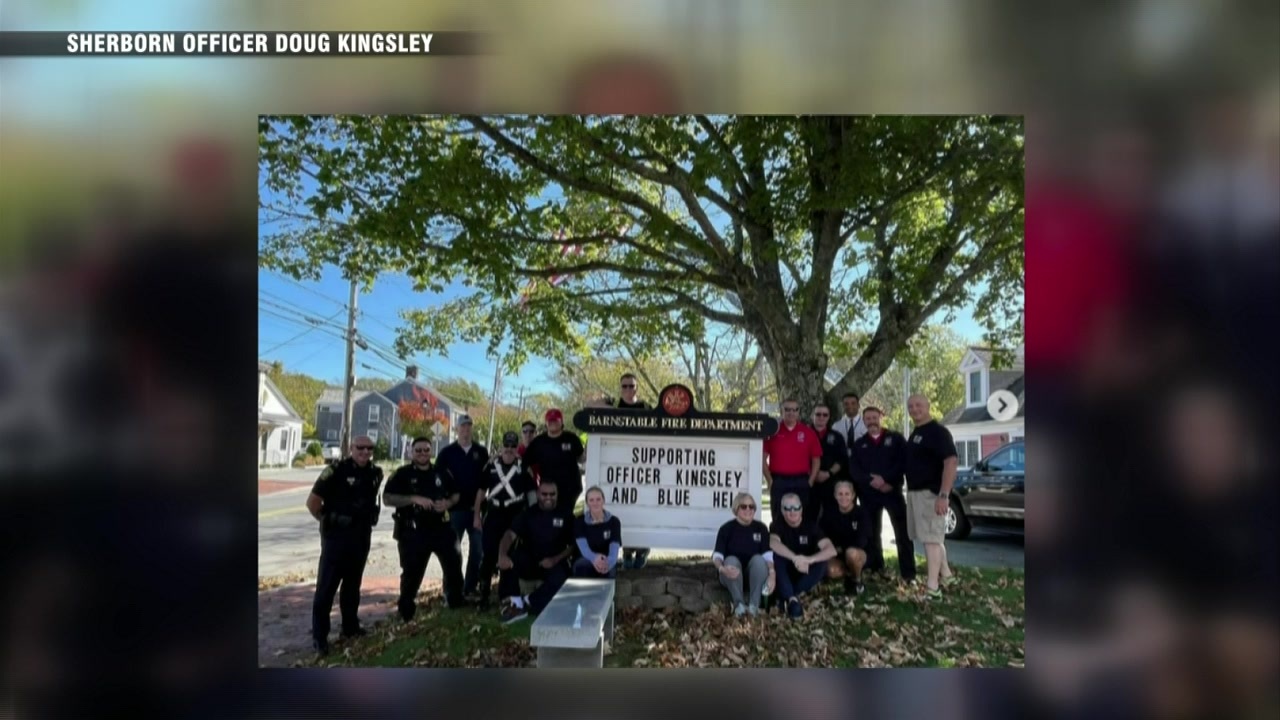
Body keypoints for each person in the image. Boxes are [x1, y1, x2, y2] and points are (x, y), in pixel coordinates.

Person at [304, 435, 383, 656]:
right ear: (351, 448)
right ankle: (320, 638)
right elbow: (312, 503)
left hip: (361, 537)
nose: (365, 452)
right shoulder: (335, 471)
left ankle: (350, 627)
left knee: (352, 586)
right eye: (360, 448)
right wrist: (328, 520)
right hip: (336, 539)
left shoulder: (375, 473)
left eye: (369, 448)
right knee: (326, 588)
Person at [382, 436, 465, 620]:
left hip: (442, 528)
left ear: (431, 451)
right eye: (418, 450)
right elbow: (387, 498)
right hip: (414, 532)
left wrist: (447, 503)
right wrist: (413, 498)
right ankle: (406, 612)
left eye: (426, 450)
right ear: (412, 452)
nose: (422, 453)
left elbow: (456, 495)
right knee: (412, 574)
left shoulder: (441, 472)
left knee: (454, 566)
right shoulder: (402, 474)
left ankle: (456, 603)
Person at [848, 406, 915, 583]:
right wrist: (872, 481)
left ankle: (908, 573)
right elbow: (854, 469)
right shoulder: (860, 444)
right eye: (868, 419)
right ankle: (876, 567)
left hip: (892, 492)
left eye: (874, 417)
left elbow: (903, 463)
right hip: (869, 495)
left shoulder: (896, 439)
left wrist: (887, 481)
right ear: (864, 421)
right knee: (872, 533)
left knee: (902, 533)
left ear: (881, 417)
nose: (871, 421)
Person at [496, 479, 575, 624]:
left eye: (552, 494)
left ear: (557, 495)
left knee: (562, 578)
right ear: (538, 494)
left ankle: (526, 603)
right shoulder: (528, 513)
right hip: (531, 560)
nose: (548, 497)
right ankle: (508, 603)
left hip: (554, 561)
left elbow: (572, 546)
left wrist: (555, 559)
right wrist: (502, 555)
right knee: (510, 560)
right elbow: (510, 534)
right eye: (544, 494)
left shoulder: (566, 514)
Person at [473, 431, 537, 609]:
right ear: (502, 446)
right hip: (493, 514)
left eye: (513, 446)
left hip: (515, 514)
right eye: (506, 446)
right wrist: (476, 516)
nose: (509, 449)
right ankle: (483, 596)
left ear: (517, 448)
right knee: (489, 555)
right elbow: (480, 491)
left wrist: (532, 518)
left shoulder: (523, 467)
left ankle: (505, 595)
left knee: (510, 554)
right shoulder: (491, 465)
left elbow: (531, 493)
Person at [904, 394, 958, 599]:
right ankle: (946, 575)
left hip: (932, 494)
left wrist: (944, 495)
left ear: (928, 406)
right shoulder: (918, 433)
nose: (914, 409)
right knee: (932, 538)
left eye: (919, 405)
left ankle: (932, 587)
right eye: (911, 406)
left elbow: (951, 462)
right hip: (916, 493)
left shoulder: (938, 432)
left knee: (931, 541)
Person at [435, 415, 489, 599]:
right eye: (462, 426)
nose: (466, 429)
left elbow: (486, 480)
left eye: (468, 426)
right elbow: (438, 479)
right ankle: (450, 589)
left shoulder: (481, 452)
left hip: (477, 510)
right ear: (456, 429)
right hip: (454, 510)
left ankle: (470, 587)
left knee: (477, 551)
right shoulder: (447, 453)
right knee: (452, 553)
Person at [610, 372, 653, 569]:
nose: (628, 389)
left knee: (643, 508)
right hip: (620, 465)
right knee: (624, 509)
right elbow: (592, 408)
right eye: (624, 386)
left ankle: (643, 548)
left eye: (631, 386)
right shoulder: (615, 407)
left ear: (637, 388)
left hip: (644, 464)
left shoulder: (645, 407)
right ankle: (627, 551)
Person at [769, 493, 837, 619]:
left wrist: (809, 560)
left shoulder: (811, 526)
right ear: (782, 511)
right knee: (776, 556)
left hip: (805, 569)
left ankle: (790, 596)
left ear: (801, 509)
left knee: (823, 562)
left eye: (796, 507)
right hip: (787, 569)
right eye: (788, 508)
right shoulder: (777, 525)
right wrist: (795, 558)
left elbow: (831, 549)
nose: (792, 511)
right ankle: (792, 599)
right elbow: (773, 543)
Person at [712, 492, 775, 617]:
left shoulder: (761, 528)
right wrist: (722, 568)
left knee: (758, 559)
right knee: (731, 560)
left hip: (754, 575)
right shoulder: (726, 529)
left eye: (751, 507)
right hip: (730, 575)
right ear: (736, 509)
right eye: (744, 506)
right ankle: (739, 606)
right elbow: (717, 556)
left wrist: (772, 574)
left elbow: (767, 555)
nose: (748, 509)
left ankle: (754, 607)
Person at [762, 399, 821, 526]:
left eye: (795, 410)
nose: (791, 413)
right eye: (787, 409)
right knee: (778, 516)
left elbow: (816, 459)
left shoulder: (808, 432)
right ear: (781, 411)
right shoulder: (773, 432)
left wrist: (810, 481)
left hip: (801, 480)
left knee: (803, 516)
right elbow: (762, 457)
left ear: (798, 412)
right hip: (778, 480)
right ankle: (777, 543)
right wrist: (769, 480)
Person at [523, 408, 586, 514]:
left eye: (556, 421)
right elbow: (525, 462)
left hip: (570, 489)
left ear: (561, 422)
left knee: (566, 518)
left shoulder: (571, 438)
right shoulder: (538, 442)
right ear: (546, 423)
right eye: (550, 421)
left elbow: (582, 458)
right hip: (548, 491)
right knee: (547, 518)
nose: (553, 424)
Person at [819, 480, 872, 595]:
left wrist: (840, 548)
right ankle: (849, 576)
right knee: (831, 570)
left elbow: (862, 541)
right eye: (840, 494)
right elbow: (822, 536)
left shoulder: (861, 512)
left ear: (853, 495)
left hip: (857, 553)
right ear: (835, 495)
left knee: (851, 553)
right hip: (837, 554)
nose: (844, 497)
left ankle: (857, 580)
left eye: (847, 494)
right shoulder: (829, 513)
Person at [810, 403, 847, 524]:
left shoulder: (837, 436)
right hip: (809, 482)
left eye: (825, 415)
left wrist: (828, 473)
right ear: (812, 416)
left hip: (830, 482)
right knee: (808, 517)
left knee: (831, 518)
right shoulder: (804, 434)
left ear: (829, 417)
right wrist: (813, 474)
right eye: (818, 414)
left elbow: (841, 460)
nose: (821, 417)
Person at [573, 486, 622, 578]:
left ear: (603, 500)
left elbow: (614, 549)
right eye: (591, 500)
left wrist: (607, 563)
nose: (595, 503)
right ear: (587, 503)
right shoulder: (579, 521)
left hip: (606, 560)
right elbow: (584, 549)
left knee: (609, 571)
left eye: (598, 499)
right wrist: (595, 558)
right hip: (585, 559)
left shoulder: (614, 521)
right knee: (582, 567)